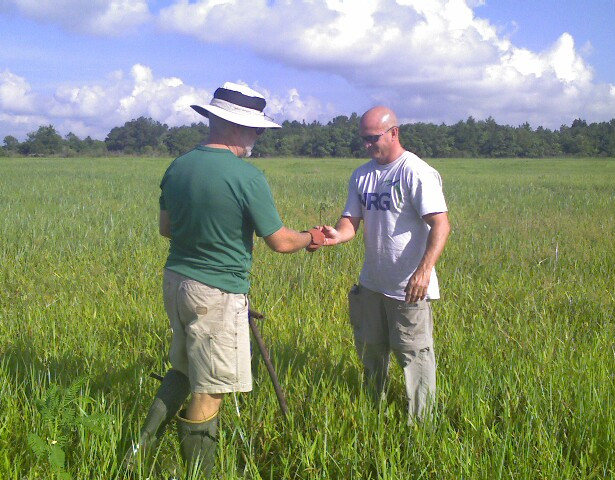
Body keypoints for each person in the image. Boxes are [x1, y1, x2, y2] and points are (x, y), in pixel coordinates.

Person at [125, 82, 324, 476]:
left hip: (177, 281)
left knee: (182, 368)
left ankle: (138, 453)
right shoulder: (246, 177)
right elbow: (281, 242)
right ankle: (200, 472)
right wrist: (313, 238)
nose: (257, 137)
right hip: (216, 294)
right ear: (235, 126)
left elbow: (167, 229)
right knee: (211, 388)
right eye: (255, 130)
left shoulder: (179, 166)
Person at [321, 106, 450, 423]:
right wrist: (336, 235)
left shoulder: (415, 172)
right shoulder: (362, 175)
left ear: (394, 132)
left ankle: (421, 426)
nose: (366, 145)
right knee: (371, 350)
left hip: (408, 288)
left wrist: (424, 271)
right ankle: (372, 411)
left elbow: (441, 225)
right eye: (363, 139)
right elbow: (351, 221)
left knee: (414, 356)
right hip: (371, 284)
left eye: (372, 138)